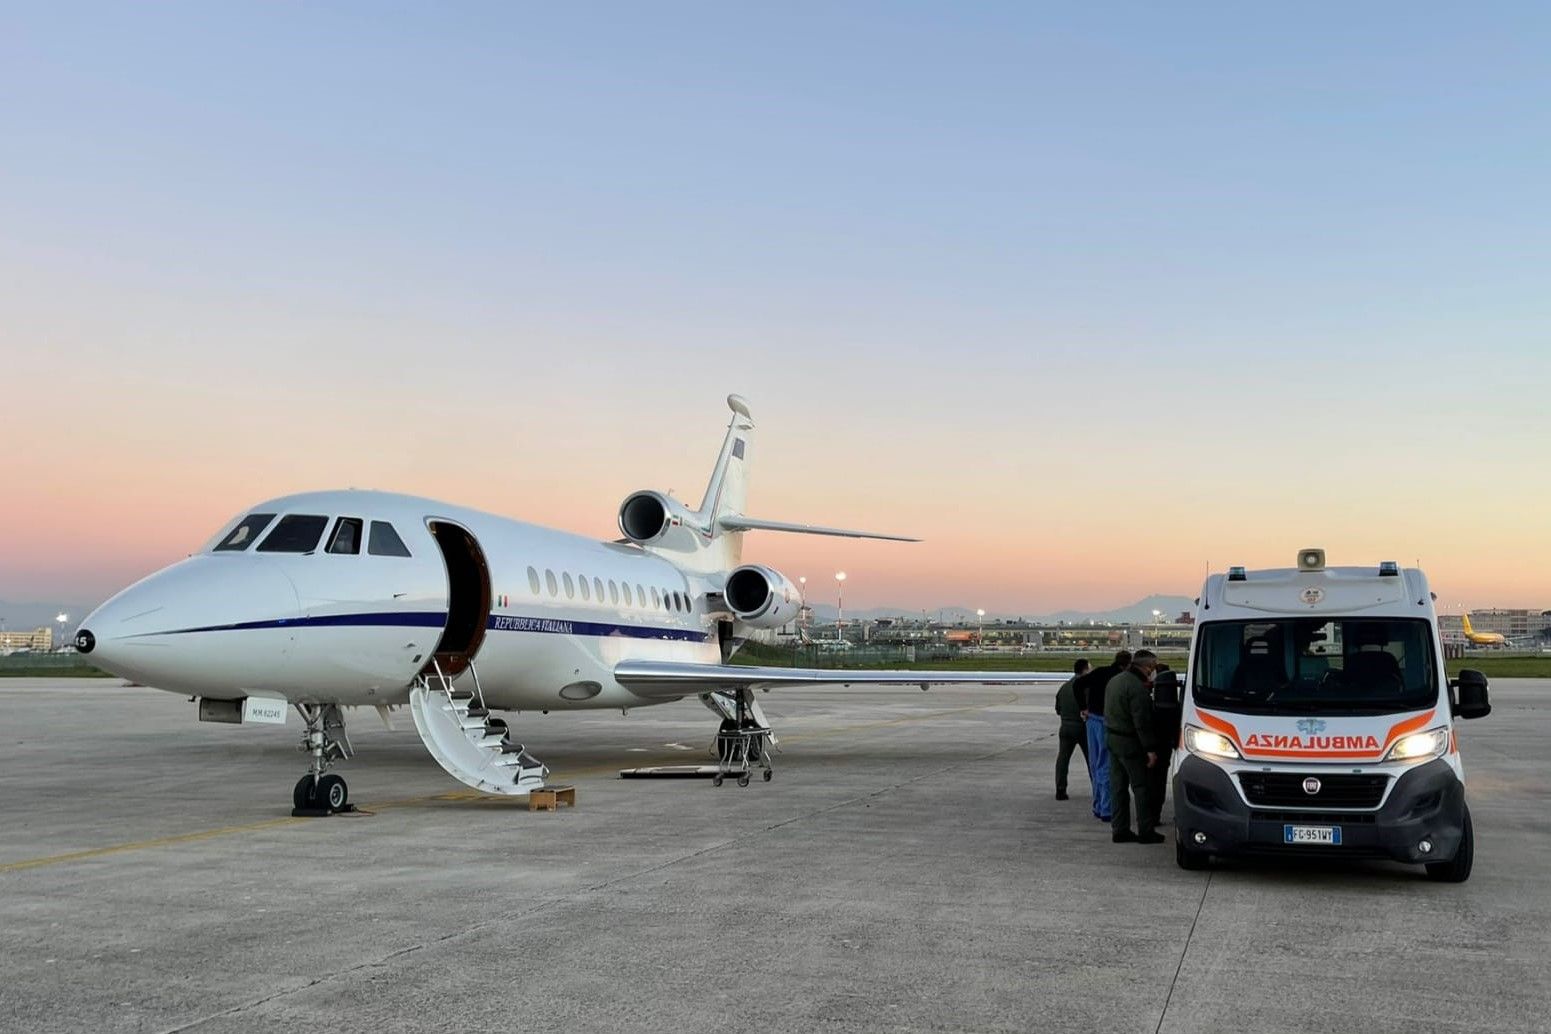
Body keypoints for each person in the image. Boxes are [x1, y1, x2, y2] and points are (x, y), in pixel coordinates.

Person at [1105, 649, 1165, 844]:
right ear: (1147, 666)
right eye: (1153, 667)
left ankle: (1120, 829)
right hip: (1130, 742)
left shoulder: (1115, 681)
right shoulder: (1137, 688)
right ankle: (1146, 830)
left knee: (1118, 786)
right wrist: (1150, 749)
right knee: (1141, 787)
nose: (1153, 671)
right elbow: (1141, 722)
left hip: (1113, 739)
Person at [1074, 649, 1131, 822]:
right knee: (1107, 766)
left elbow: (1077, 685)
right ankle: (1107, 809)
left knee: (1096, 764)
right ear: (1126, 665)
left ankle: (1098, 805)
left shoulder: (1099, 672)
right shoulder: (1120, 679)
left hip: (1091, 721)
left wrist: (1083, 707)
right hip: (1106, 723)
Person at [1146, 664, 1183, 831]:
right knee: (1159, 782)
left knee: (1150, 782)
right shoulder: (1175, 707)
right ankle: (1154, 815)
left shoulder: (1154, 705)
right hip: (1166, 747)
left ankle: (1149, 815)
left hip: (1152, 747)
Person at [1053, 658, 1091, 800]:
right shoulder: (1086, 687)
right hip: (1083, 727)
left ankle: (1060, 789)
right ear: (1085, 670)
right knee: (1091, 759)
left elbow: (1058, 709)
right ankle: (1098, 788)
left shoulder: (1064, 687)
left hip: (1066, 727)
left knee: (1063, 758)